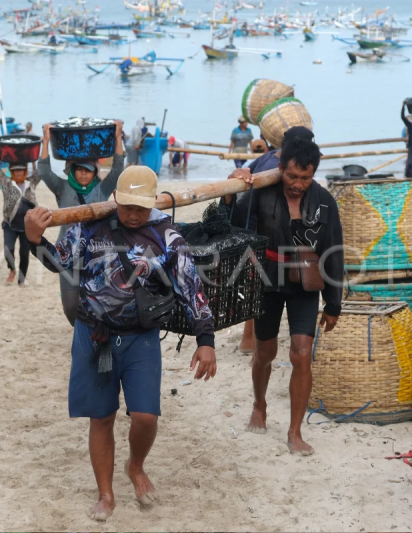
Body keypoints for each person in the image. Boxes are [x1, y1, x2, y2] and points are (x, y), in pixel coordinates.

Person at [24, 166, 217, 521]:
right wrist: (35, 239)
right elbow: (62, 263)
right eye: (127, 207)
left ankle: (135, 465)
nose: (132, 215)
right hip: (93, 334)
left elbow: (192, 288)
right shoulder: (90, 224)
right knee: (101, 417)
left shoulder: (167, 236)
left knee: (145, 416)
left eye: (140, 209)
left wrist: (206, 340)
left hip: (140, 337)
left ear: (152, 204)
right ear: (116, 199)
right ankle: (106, 493)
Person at [221, 137, 344, 456]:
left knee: (302, 353)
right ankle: (259, 405)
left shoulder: (325, 201)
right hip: (268, 281)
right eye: (291, 176)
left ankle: (294, 431)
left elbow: (334, 252)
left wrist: (334, 303)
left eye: (305, 178)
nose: (298, 184)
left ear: (314, 173)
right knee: (265, 352)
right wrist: (231, 191)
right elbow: (231, 227)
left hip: (306, 283)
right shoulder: (261, 194)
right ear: (280, 167)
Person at [234, 126, 316, 354]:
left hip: (255, 228)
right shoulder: (275, 168)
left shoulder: (268, 157)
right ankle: (249, 341)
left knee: (256, 287)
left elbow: (246, 173)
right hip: (260, 232)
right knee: (259, 287)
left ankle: (248, 340)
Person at [39, 120, 125, 326]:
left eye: (88, 169)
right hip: (67, 257)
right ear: (72, 169)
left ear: (95, 171)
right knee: (70, 307)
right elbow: (43, 170)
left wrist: (118, 136)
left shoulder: (103, 189)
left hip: (97, 255)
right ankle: (80, 329)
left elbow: (118, 167)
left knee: (100, 303)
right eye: (79, 169)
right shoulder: (62, 187)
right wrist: (46, 140)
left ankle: (92, 334)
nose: (84, 173)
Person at [0, 137, 41, 286]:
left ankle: (22, 278)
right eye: (15, 171)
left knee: (24, 254)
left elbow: (41, 171)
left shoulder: (31, 183)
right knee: (8, 250)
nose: (18, 173)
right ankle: (12, 269)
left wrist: (34, 157)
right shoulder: (6, 183)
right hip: (9, 225)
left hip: (27, 226)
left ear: (25, 171)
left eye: (21, 170)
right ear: (11, 172)